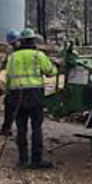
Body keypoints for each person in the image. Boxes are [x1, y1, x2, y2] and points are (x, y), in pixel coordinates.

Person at [5, 28, 57, 168]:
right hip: (35, 96)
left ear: (21, 41)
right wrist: (55, 66)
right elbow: (50, 72)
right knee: (36, 128)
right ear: (33, 40)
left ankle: (22, 160)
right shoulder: (38, 55)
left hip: (17, 96)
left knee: (21, 129)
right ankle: (36, 161)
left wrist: (10, 95)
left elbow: (8, 79)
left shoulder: (13, 57)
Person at [0, 29, 21, 136]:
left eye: (14, 43)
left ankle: (18, 130)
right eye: (11, 43)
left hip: (22, 84)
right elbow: (3, 61)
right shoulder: (10, 50)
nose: (13, 45)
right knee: (9, 107)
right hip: (11, 84)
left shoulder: (23, 51)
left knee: (18, 107)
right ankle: (6, 128)